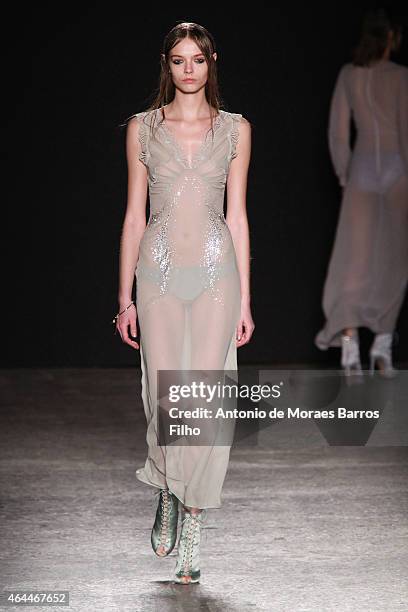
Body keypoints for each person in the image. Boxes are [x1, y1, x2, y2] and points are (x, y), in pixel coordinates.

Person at [113, 22, 254, 584]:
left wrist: (247, 299)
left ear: (212, 60)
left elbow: (238, 216)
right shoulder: (142, 129)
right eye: (178, 60)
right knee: (162, 395)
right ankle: (168, 487)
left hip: (219, 275)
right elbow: (133, 217)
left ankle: (193, 523)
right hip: (159, 275)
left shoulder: (237, 129)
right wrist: (123, 298)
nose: (189, 69)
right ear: (166, 65)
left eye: (197, 59)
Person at [315, 9, 408, 377]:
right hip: (398, 170)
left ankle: (351, 345)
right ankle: (382, 343)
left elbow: (338, 133)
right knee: (393, 259)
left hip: (362, 170)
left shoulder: (349, 75)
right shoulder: (401, 77)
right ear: (391, 37)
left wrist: (344, 173)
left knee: (353, 258)